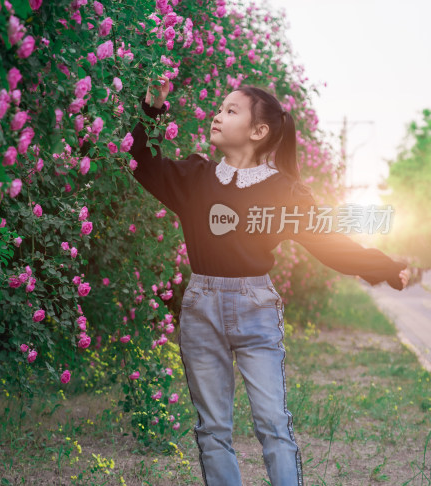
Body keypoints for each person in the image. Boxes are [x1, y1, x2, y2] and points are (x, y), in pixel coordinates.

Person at [128, 76, 410, 486]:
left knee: (273, 425)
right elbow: (142, 159)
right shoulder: (193, 177)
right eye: (220, 108)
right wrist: (153, 105)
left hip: (255, 307)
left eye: (230, 111)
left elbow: (329, 242)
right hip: (201, 307)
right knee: (211, 430)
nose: (217, 116)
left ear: (258, 131)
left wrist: (383, 266)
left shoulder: (284, 193)